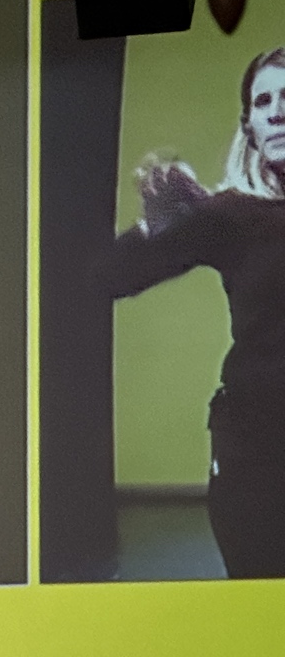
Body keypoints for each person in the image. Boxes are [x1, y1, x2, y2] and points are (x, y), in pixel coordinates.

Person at [108, 46, 285, 580]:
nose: (277, 111)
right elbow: (107, 278)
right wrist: (156, 224)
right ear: (249, 126)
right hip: (255, 454)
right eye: (263, 102)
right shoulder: (230, 214)